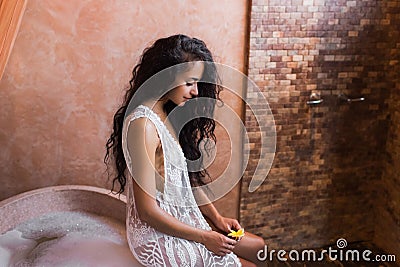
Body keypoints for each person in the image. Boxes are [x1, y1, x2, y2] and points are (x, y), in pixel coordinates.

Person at [105, 34, 265, 267]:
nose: (196, 92)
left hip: (178, 220)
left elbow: (181, 183)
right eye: (189, 82)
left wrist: (216, 218)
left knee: (259, 247)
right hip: (154, 237)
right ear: (166, 77)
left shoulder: (164, 113)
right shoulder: (143, 125)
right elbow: (147, 211)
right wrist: (204, 236)